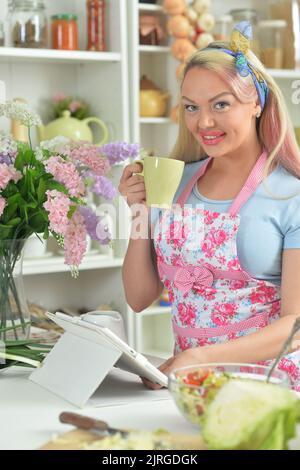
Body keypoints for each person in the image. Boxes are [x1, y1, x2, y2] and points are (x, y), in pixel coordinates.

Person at [118, 21, 300, 390]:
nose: (204, 122)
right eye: (191, 107)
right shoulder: (174, 180)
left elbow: (295, 325)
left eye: (221, 104)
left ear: (256, 104)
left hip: (269, 387)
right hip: (194, 386)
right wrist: (139, 210)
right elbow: (138, 298)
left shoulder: (289, 196)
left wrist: (197, 357)